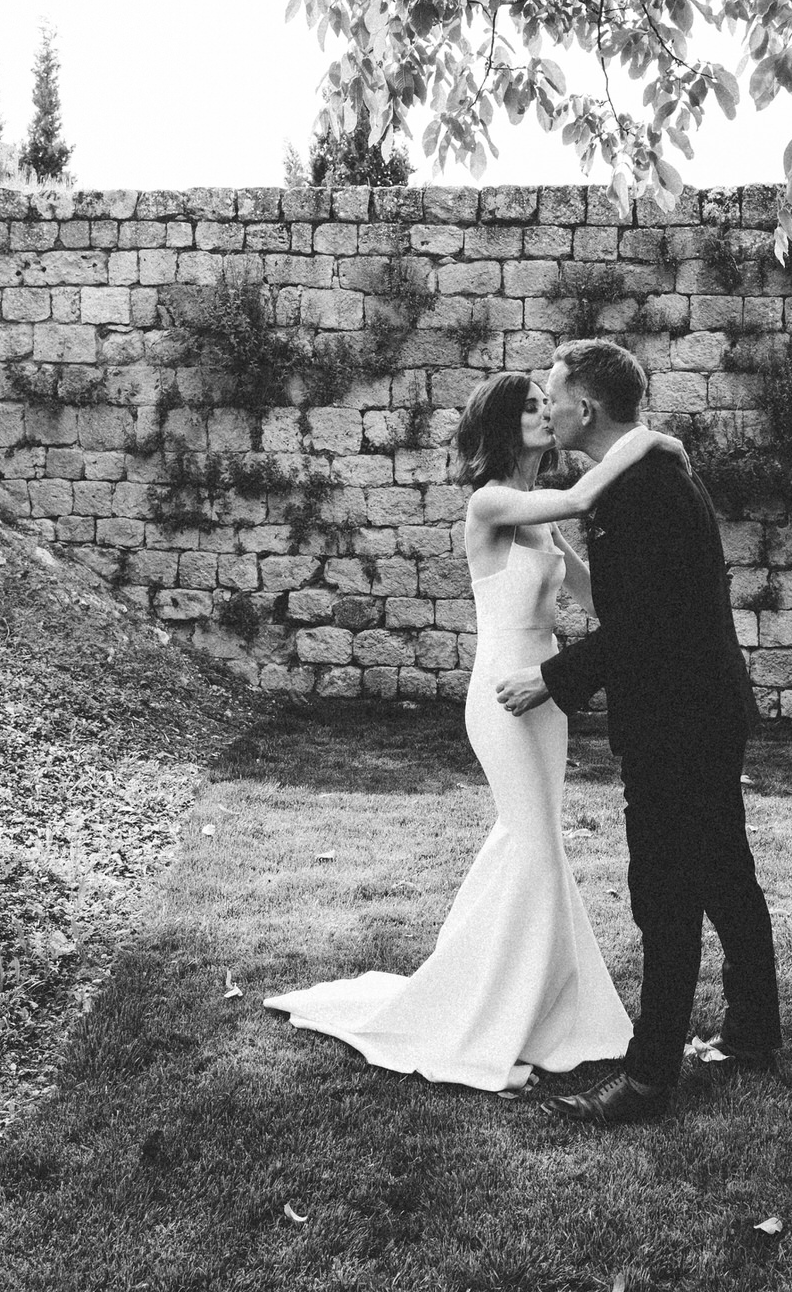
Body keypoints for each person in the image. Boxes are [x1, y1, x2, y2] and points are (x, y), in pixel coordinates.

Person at [262, 370, 686, 1092]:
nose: (541, 414)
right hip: (501, 693)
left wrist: (659, 612)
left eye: (540, 403)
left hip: (545, 693)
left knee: (532, 844)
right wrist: (649, 440)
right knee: (535, 850)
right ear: (498, 425)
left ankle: (536, 1008)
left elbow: (598, 598)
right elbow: (587, 493)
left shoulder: (540, 515)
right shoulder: (491, 502)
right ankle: (491, 1022)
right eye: (526, 408)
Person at [495, 338, 783, 1126]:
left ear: (583, 408)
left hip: (678, 719)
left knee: (664, 894)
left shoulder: (643, 491)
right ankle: (756, 1030)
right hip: (702, 707)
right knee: (723, 870)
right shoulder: (645, 478)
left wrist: (550, 680)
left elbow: (648, 628)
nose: (545, 408)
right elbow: (635, 607)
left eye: (552, 395)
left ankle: (648, 1080)